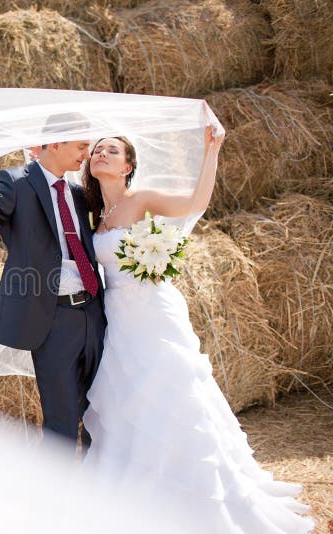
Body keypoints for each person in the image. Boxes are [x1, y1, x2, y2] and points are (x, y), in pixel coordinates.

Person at [80, 113, 315, 531]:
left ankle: (201, 491)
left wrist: (212, 150)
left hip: (155, 313)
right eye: (97, 149)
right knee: (128, 398)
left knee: (173, 392)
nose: (100, 153)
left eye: (111, 149)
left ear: (127, 165)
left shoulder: (142, 199)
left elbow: (195, 204)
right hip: (119, 318)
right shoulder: (94, 213)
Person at [0, 114, 105, 454]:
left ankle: (98, 495)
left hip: (96, 315)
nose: (86, 154)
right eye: (81, 146)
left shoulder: (79, 193)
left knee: (103, 417)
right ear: (55, 144)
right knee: (62, 425)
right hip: (53, 321)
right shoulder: (15, 183)